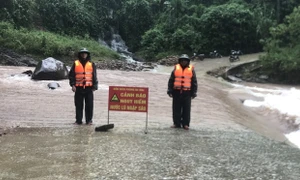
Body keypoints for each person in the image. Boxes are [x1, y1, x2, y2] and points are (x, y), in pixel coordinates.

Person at [167, 54, 198, 130]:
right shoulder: (175, 69)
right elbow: (171, 81)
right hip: (176, 92)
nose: (184, 62)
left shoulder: (191, 70)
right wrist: (169, 91)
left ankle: (185, 124)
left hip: (187, 92)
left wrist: (194, 92)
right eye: (182, 60)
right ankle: (176, 123)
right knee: (176, 108)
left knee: (186, 109)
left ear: (188, 62)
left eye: (185, 60)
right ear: (180, 61)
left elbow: (194, 82)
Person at [69, 48, 98, 125]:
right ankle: (78, 121)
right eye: (82, 53)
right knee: (78, 105)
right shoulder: (76, 63)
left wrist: (95, 86)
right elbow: (71, 75)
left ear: (87, 54)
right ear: (80, 54)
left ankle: (89, 121)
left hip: (89, 88)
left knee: (89, 105)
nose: (84, 55)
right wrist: (72, 85)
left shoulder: (91, 64)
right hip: (78, 88)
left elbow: (94, 75)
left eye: (85, 53)